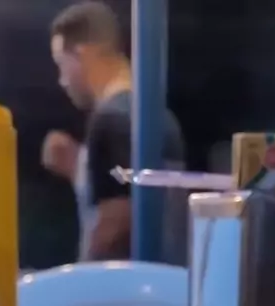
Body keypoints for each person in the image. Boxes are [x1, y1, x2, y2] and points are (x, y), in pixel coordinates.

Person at [42, 1, 185, 262]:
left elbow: (116, 222)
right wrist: (77, 169)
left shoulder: (110, 119)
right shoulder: (160, 118)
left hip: (126, 285)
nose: (62, 80)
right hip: (165, 280)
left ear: (84, 53)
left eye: (62, 64)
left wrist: (77, 280)